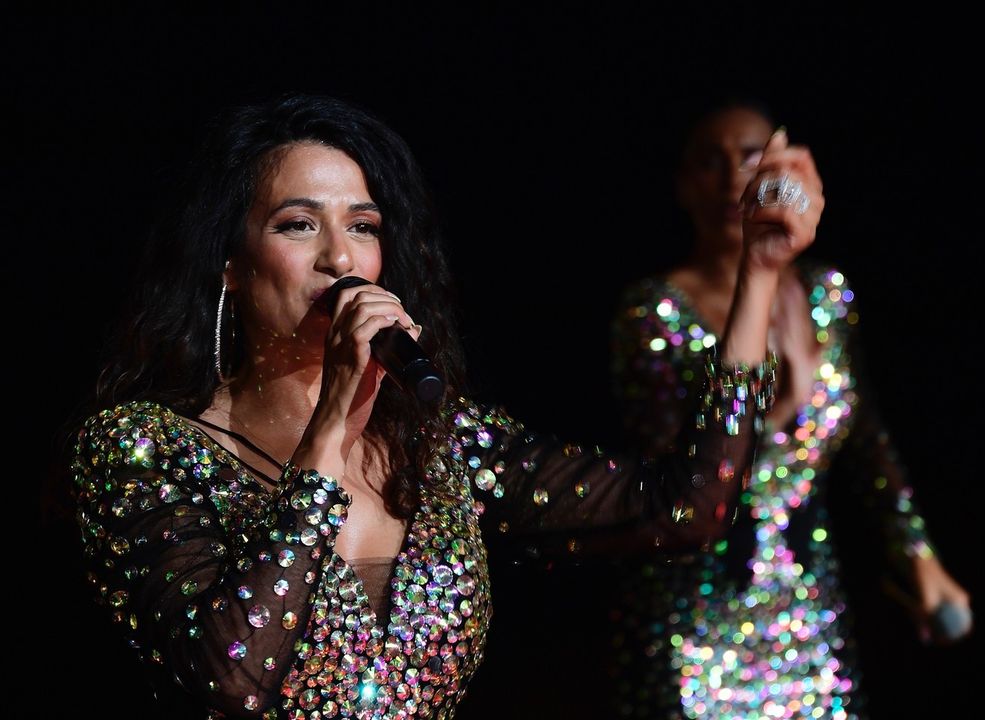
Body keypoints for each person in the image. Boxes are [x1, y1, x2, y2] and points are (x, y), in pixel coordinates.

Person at [69, 93, 821, 719]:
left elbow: (689, 508)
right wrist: (327, 435)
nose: (340, 258)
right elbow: (229, 678)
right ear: (230, 264)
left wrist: (758, 273)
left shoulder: (441, 446)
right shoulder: (142, 449)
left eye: (362, 227)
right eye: (298, 224)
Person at [609, 100, 971, 719]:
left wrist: (919, 554)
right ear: (684, 186)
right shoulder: (654, 313)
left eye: (750, 157)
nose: (732, 177)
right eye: (710, 162)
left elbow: (867, 440)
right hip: (696, 616)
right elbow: (674, 479)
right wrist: (776, 406)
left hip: (807, 604)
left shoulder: (826, 296)